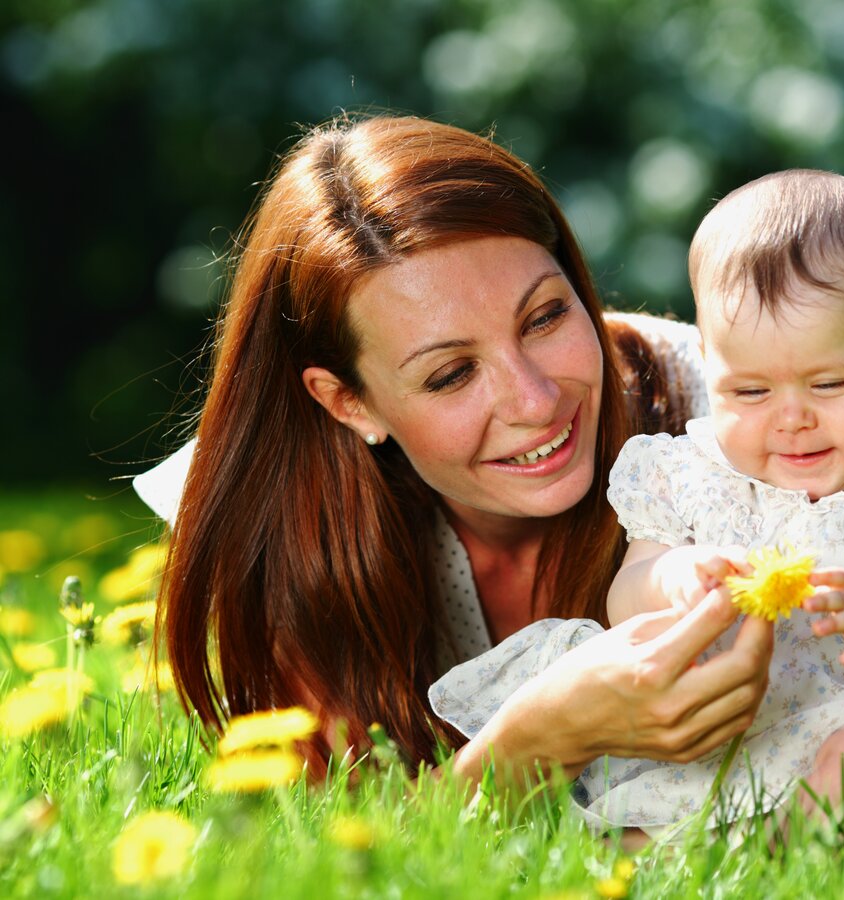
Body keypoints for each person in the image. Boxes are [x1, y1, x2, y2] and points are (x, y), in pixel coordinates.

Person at [131, 115, 776, 814]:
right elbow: (342, 853)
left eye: (545, 317)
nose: (533, 400)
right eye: (450, 375)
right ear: (349, 403)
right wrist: (533, 745)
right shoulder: (282, 509)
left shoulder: (741, 412)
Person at [430, 169, 844, 832]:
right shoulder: (686, 476)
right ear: (708, 363)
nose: (791, 418)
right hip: (721, 745)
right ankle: (696, 850)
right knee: (632, 820)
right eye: (750, 392)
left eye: (830, 383)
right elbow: (627, 594)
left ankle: (782, 843)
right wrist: (673, 578)